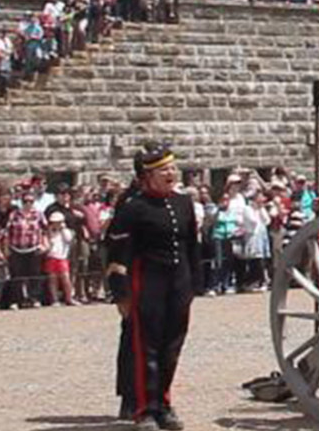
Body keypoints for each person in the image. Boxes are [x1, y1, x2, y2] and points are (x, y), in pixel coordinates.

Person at [106, 142, 201, 431]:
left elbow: (191, 246)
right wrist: (120, 293)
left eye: (173, 167)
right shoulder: (133, 208)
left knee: (172, 346)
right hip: (148, 282)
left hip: (178, 282)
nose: (171, 173)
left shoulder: (183, 203)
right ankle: (144, 409)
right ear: (147, 176)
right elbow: (116, 253)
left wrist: (194, 284)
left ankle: (164, 404)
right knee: (146, 347)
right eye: (164, 170)